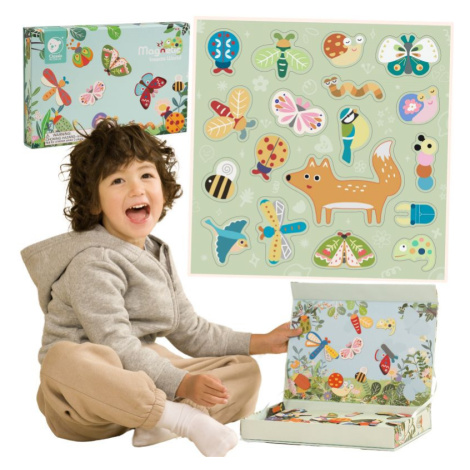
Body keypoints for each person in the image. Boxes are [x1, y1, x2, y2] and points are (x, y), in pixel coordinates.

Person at [21, 118, 301, 457]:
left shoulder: (156, 251)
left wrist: (262, 342)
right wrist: (181, 383)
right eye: (117, 180)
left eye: (146, 175)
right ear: (95, 203)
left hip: (139, 387)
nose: (136, 189)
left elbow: (191, 331)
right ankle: (179, 418)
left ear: (163, 190)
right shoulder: (92, 262)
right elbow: (116, 345)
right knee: (63, 360)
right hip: (85, 400)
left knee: (244, 370)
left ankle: (160, 419)